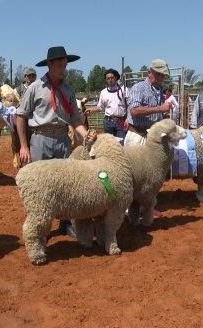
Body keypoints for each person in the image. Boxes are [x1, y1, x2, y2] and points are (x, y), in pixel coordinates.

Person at [16, 46, 96, 238]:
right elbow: (20, 116)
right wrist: (24, 145)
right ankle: (40, 227)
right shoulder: (35, 88)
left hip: (62, 139)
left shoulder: (68, 89)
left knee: (65, 184)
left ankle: (65, 223)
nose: (63, 69)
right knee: (40, 185)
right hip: (40, 139)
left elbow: (75, 119)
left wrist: (85, 135)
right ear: (49, 65)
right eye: (59, 65)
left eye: (65, 66)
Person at [125, 59, 172, 146]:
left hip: (153, 136)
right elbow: (134, 110)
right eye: (158, 74)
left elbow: (155, 112)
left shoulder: (160, 89)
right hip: (137, 136)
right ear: (149, 72)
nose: (161, 77)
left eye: (163, 75)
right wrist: (160, 108)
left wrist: (164, 115)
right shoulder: (139, 88)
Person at [86, 68, 128, 144]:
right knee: (108, 144)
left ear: (116, 78)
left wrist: (127, 119)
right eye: (108, 78)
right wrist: (92, 109)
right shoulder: (103, 92)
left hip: (121, 122)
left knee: (122, 143)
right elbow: (101, 107)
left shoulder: (124, 90)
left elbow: (129, 106)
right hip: (108, 122)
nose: (110, 80)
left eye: (112, 78)